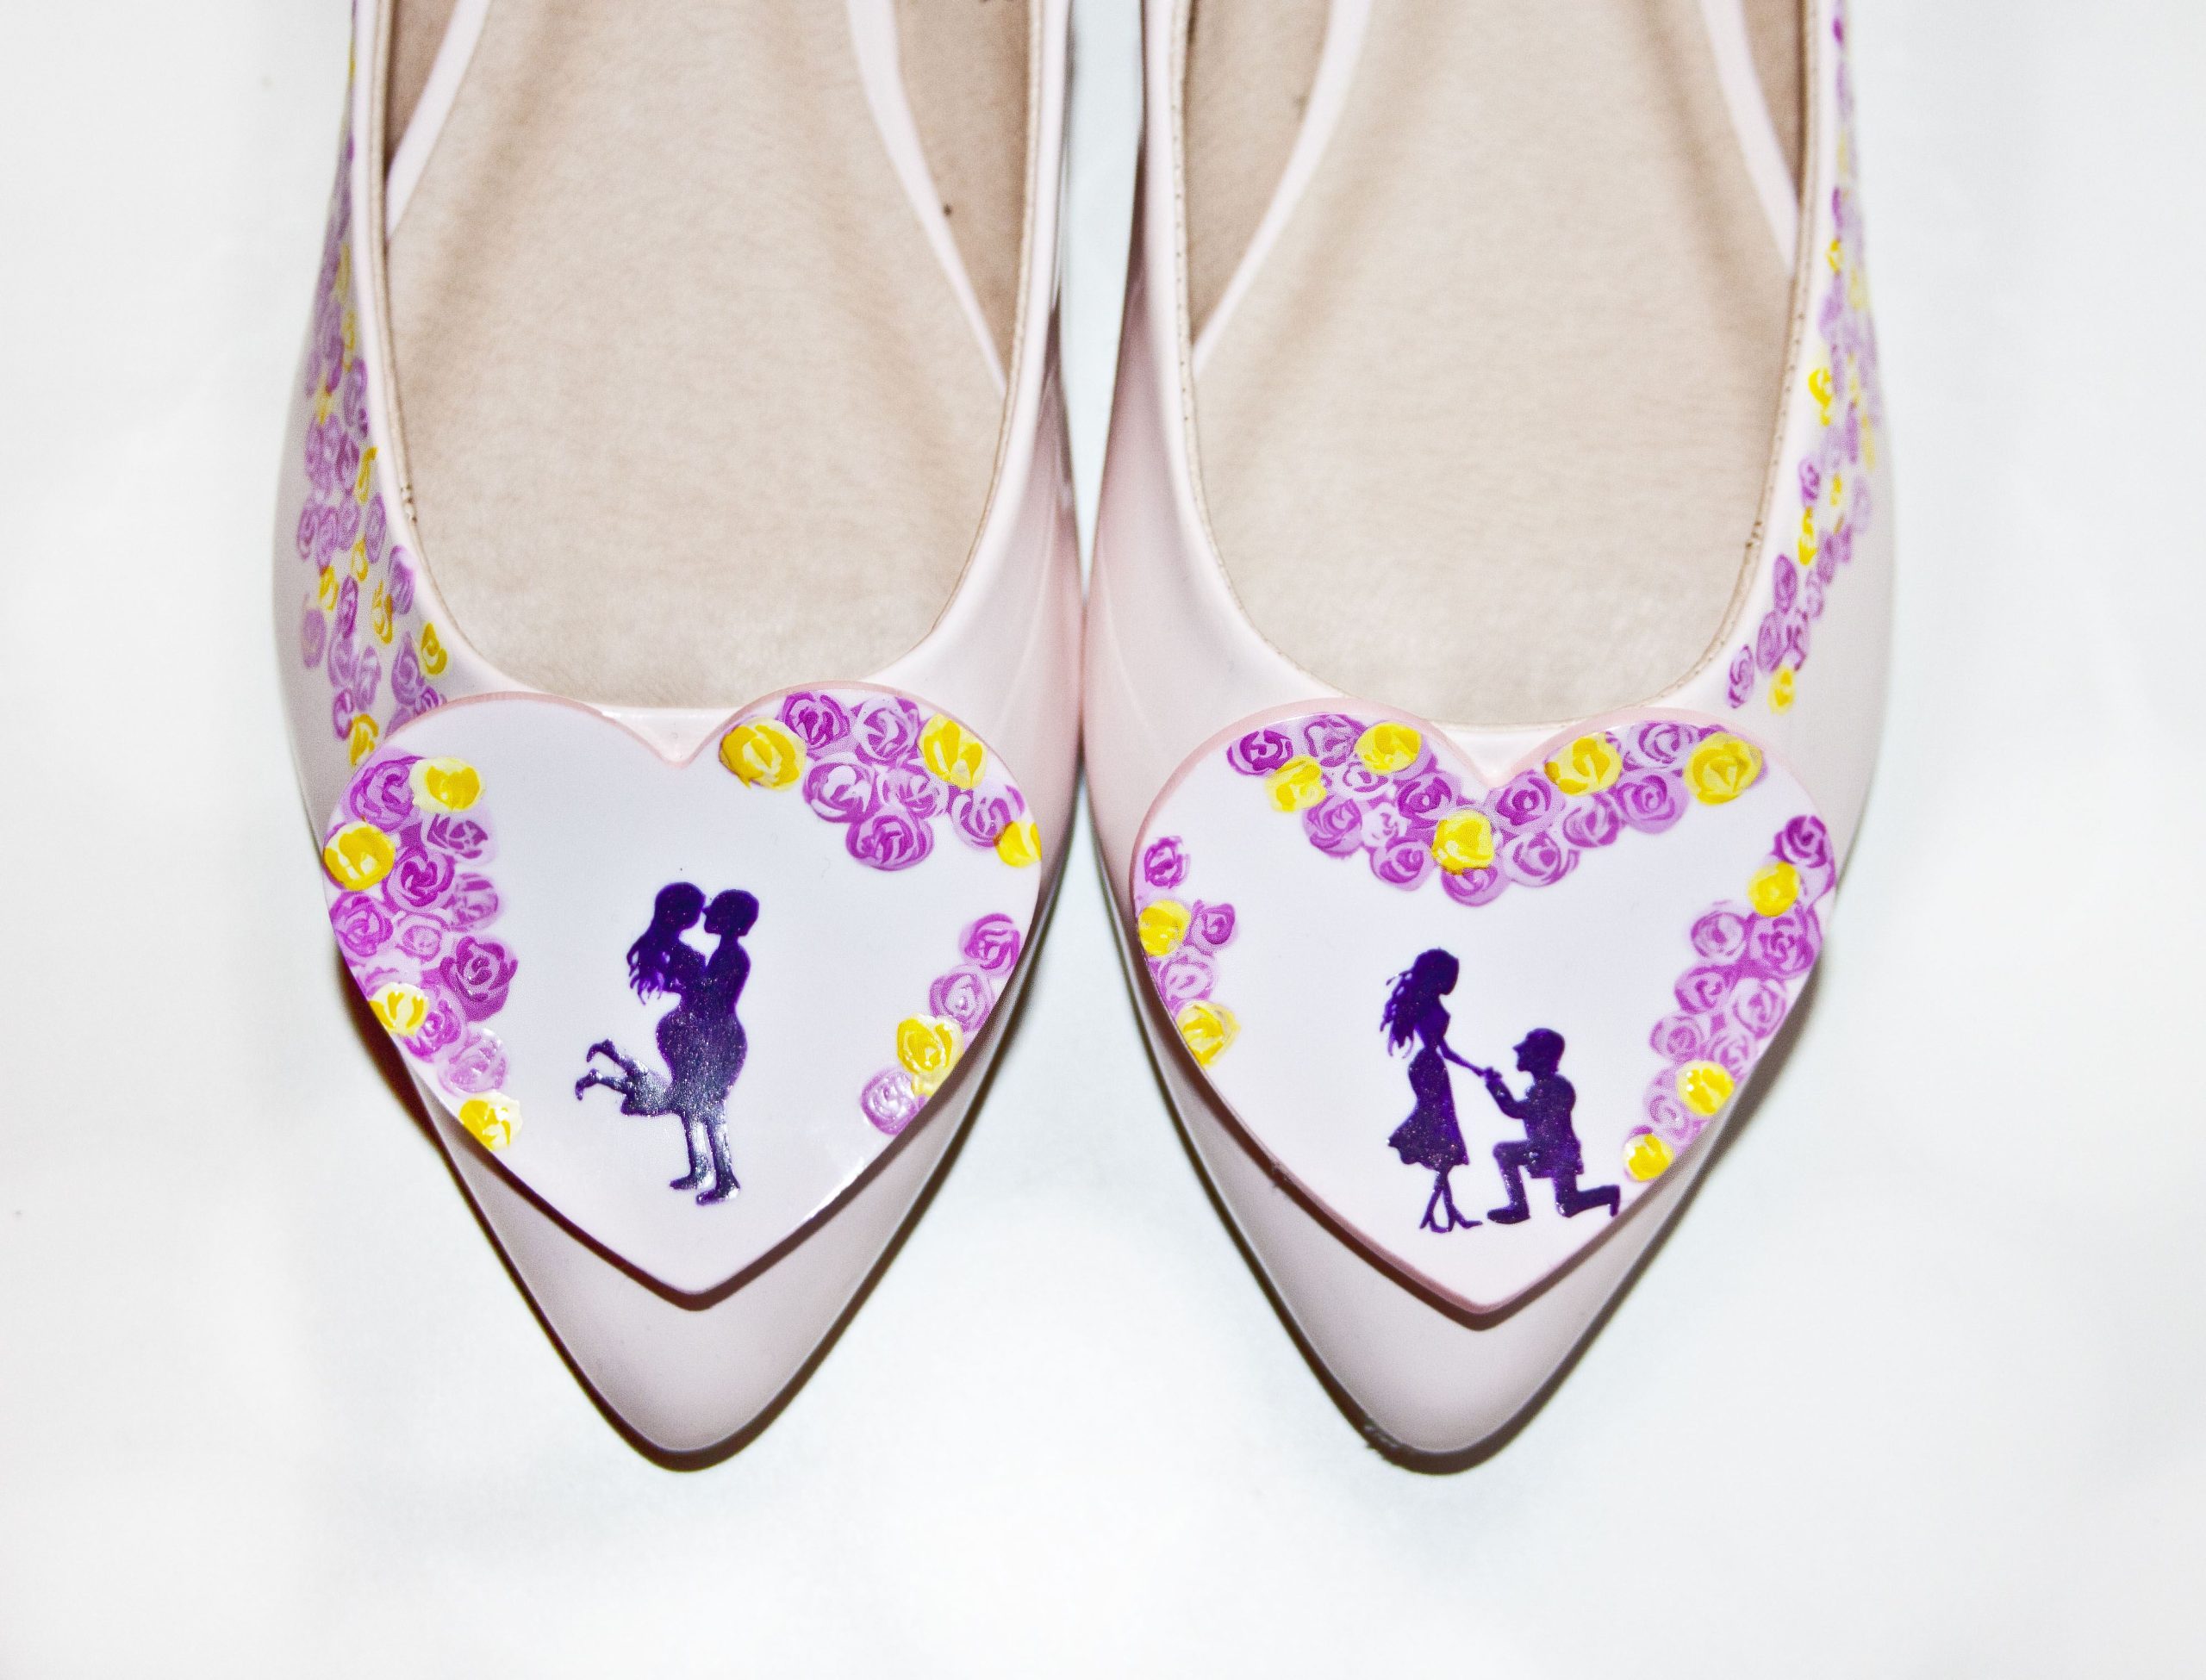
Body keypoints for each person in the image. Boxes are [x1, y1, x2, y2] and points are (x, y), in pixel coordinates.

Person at [1380, 949, 1484, 1234]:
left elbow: (1446, 1050)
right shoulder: (1425, 1005)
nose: (1453, 981)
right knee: (1444, 1136)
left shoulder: (1431, 1003)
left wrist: (1475, 1069)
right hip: (1428, 1069)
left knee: (1443, 1137)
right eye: (1450, 975)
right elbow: (1438, 1048)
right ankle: (1436, 1211)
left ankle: (1447, 1211)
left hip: (1434, 1066)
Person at [1479, 1030, 1619, 1224]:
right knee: (1504, 1153)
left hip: (1558, 1154)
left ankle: (1610, 1194)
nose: (1518, 1051)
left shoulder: (1553, 1087)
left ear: (1540, 1057)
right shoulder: (1545, 1087)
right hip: (1547, 1149)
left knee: (1567, 1206)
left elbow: (1515, 1110)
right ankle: (1519, 1207)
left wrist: (1495, 1085)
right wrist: (1496, 1085)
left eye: (1525, 1049)